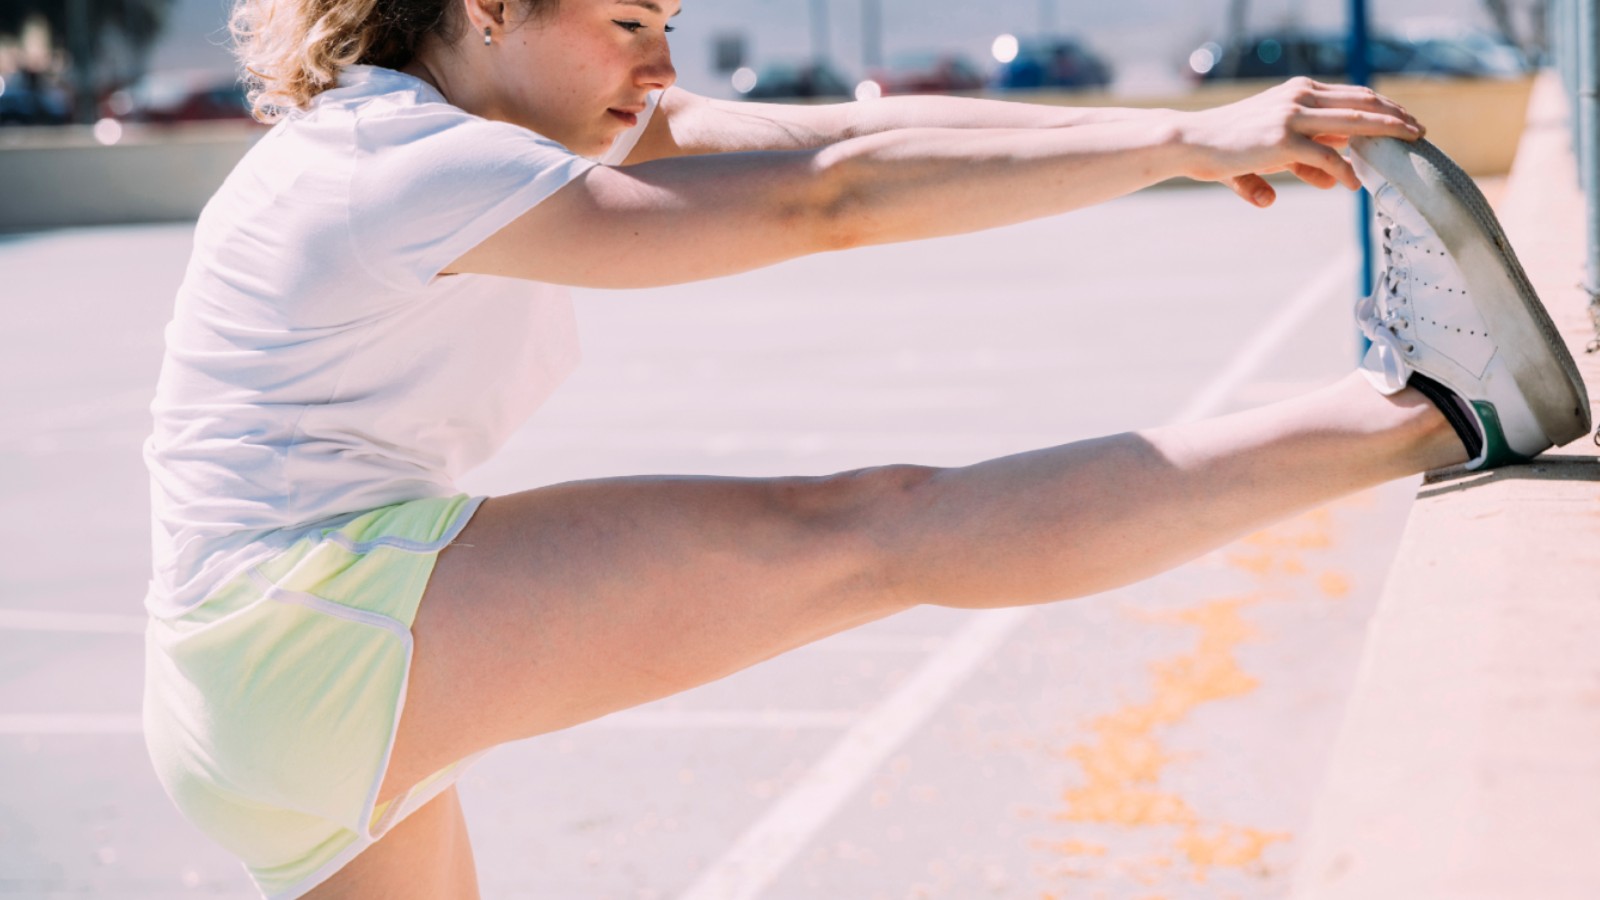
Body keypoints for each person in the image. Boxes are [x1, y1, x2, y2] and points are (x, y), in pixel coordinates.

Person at [139, 0, 1590, 896]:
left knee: (872, 530)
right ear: (490, 7)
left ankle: (1430, 406)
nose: (662, 61)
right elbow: (822, 201)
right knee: (871, 530)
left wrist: (1171, 135)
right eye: (631, 20)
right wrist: (1186, 142)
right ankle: (1442, 409)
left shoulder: (461, 125)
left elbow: (839, 136)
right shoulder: (405, 161)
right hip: (309, 629)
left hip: (250, 697)